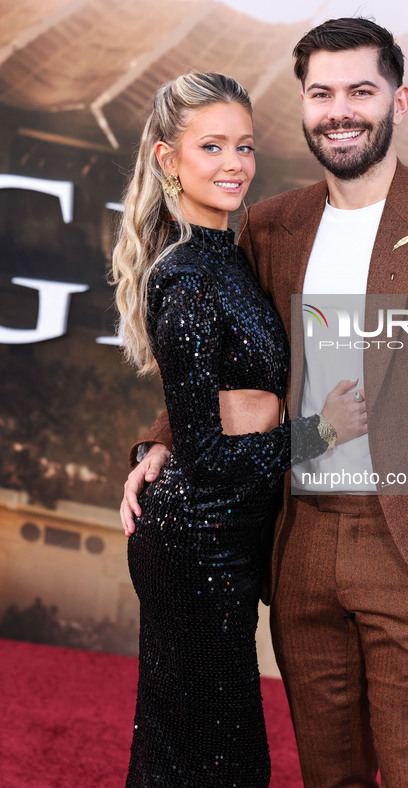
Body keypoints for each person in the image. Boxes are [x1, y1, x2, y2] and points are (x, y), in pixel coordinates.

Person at [121, 20, 408, 788]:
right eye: (321, 92)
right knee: (329, 774)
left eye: (360, 90)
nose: (339, 109)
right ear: (304, 106)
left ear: (399, 99)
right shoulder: (275, 224)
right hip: (298, 545)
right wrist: (161, 443)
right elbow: (221, 357)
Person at [111, 70, 366, 787]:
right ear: (168, 159)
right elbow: (210, 456)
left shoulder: (230, 252)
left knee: (197, 745)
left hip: (230, 537)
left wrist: (159, 444)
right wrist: (322, 433)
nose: (233, 164)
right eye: (212, 146)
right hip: (197, 541)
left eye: (245, 146)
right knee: (210, 752)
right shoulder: (187, 276)